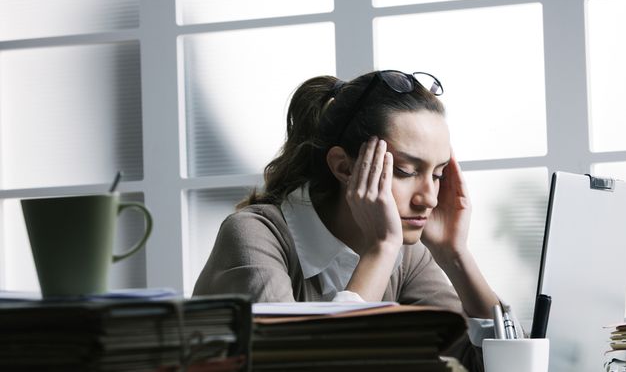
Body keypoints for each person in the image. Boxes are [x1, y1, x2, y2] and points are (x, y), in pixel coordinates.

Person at [193, 70, 517, 371]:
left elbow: (507, 366)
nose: (429, 198)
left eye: (437, 174)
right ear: (344, 168)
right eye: (405, 171)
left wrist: (456, 256)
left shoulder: (408, 255)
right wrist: (380, 251)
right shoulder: (255, 236)